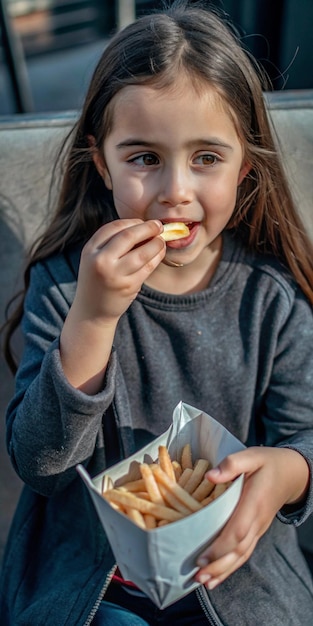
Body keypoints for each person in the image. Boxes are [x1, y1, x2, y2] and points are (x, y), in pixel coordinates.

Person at [1, 0, 313, 624]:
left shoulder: (269, 297)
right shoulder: (64, 285)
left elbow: (305, 434)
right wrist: (92, 319)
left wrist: (286, 471)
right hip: (96, 583)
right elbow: (40, 465)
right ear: (103, 162)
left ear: (245, 167)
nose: (175, 190)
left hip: (236, 575)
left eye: (206, 158)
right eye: (144, 157)